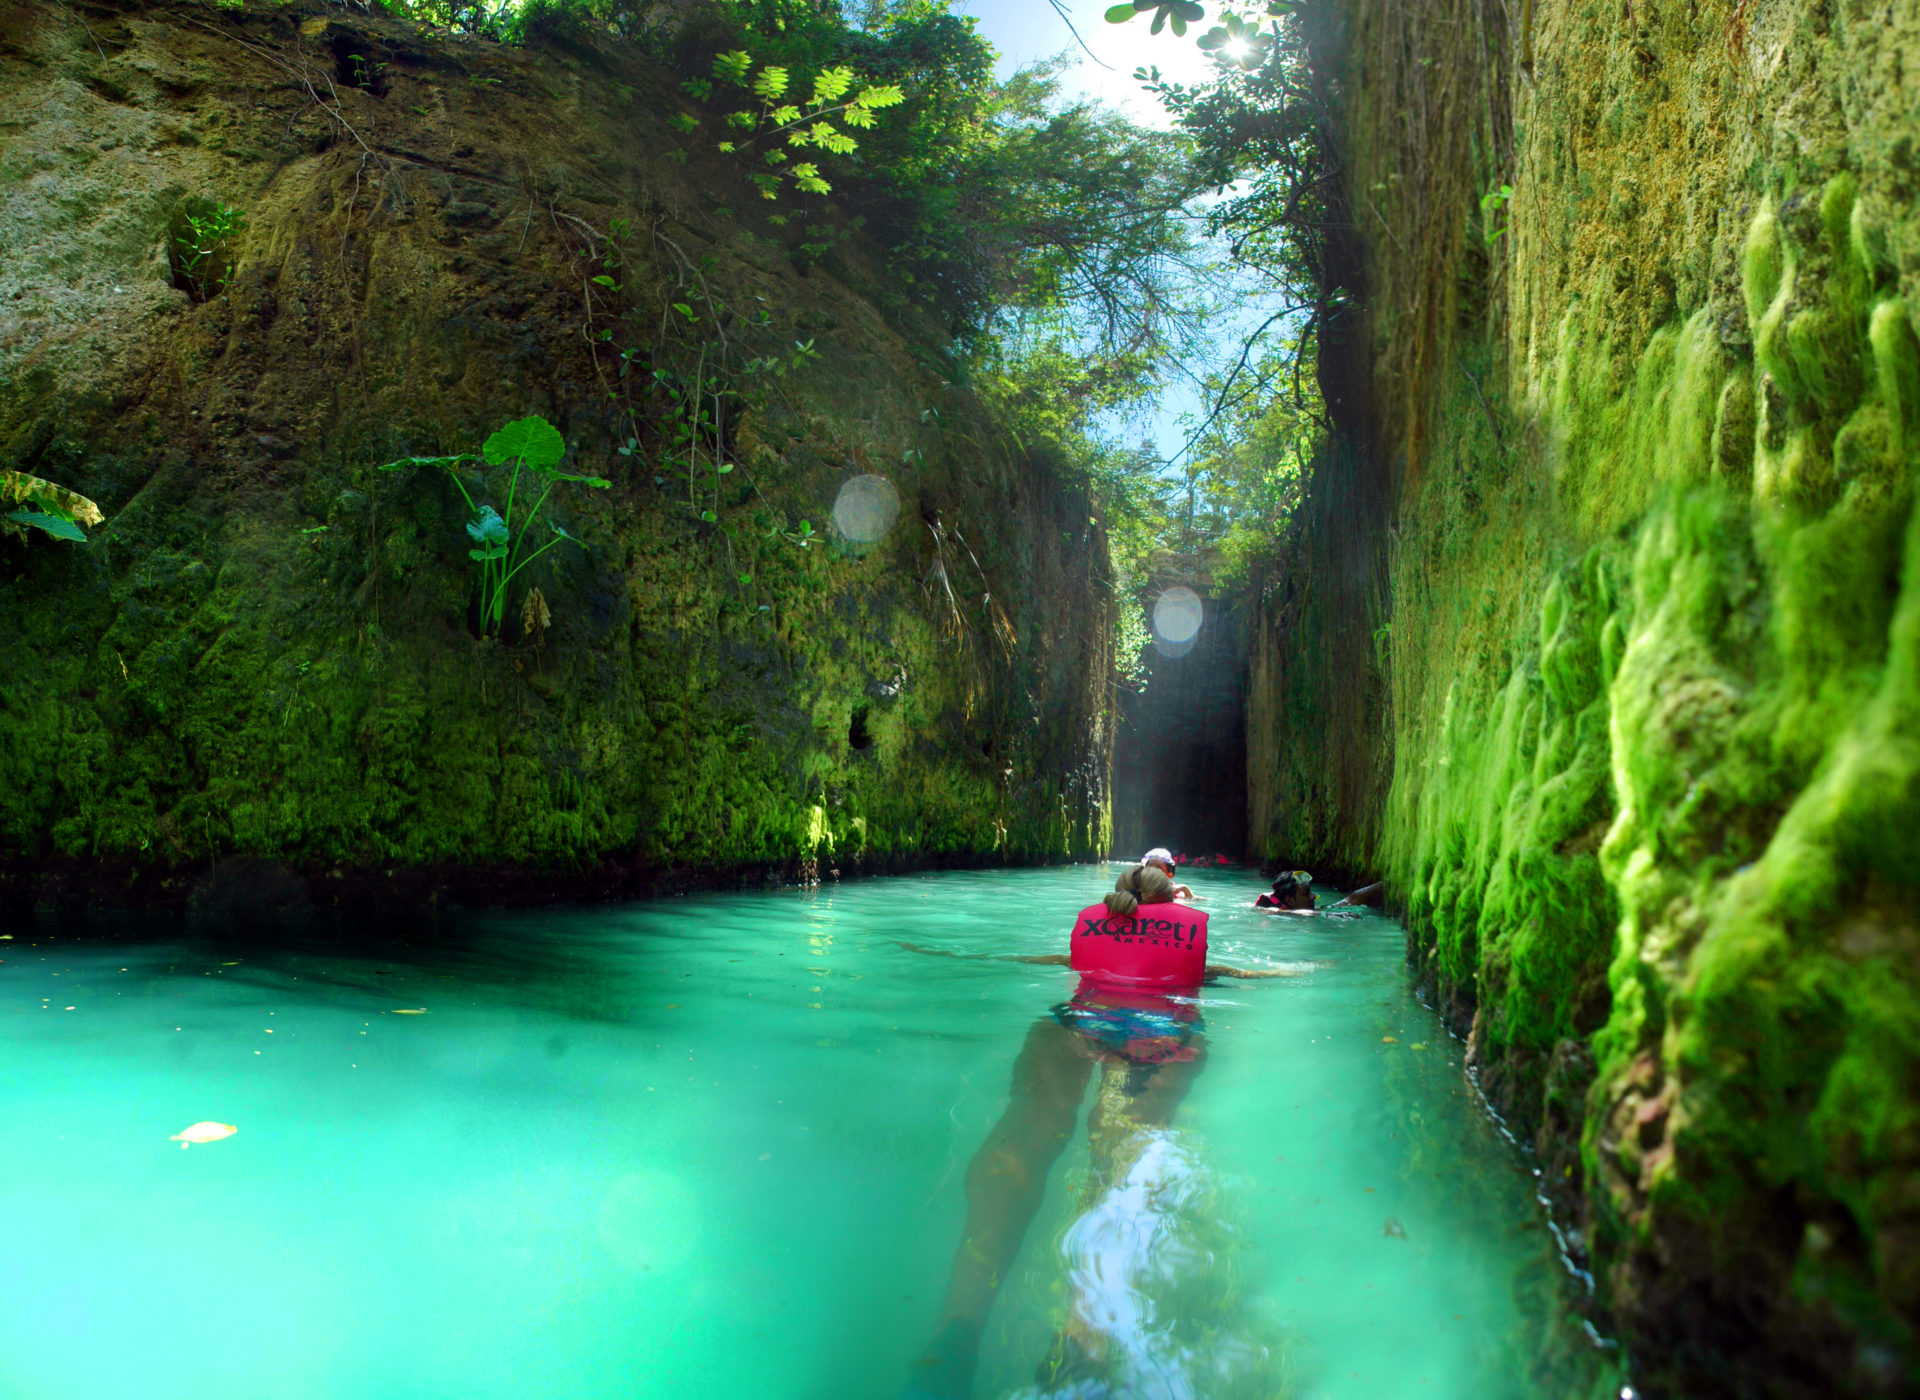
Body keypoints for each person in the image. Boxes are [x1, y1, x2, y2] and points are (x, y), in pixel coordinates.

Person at [898, 865, 1290, 1399]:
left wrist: (935, 953)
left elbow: (1024, 960)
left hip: (1079, 1022)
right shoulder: (1188, 933)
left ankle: (958, 1328)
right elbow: (1258, 974)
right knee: (1122, 1150)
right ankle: (1083, 1340)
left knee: (1027, 1129)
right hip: (1162, 1032)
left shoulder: (1092, 931)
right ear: (1172, 897)